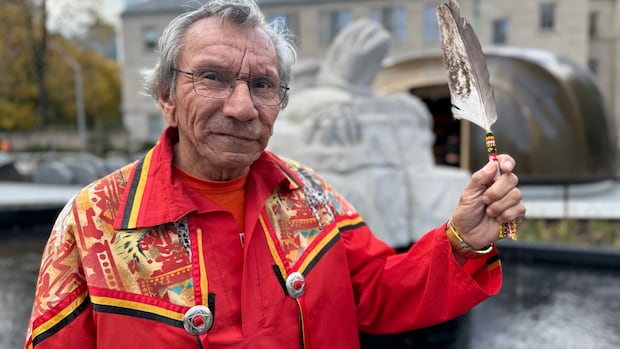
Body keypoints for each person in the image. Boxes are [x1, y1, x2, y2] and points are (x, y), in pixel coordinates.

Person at [24, 0, 525, 348]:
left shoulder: (312, 197)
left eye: (262, 84)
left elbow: (376, 292)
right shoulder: (93, 222)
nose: (242, 107)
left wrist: (464, 240)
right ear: (165, 96)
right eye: (213, 78)